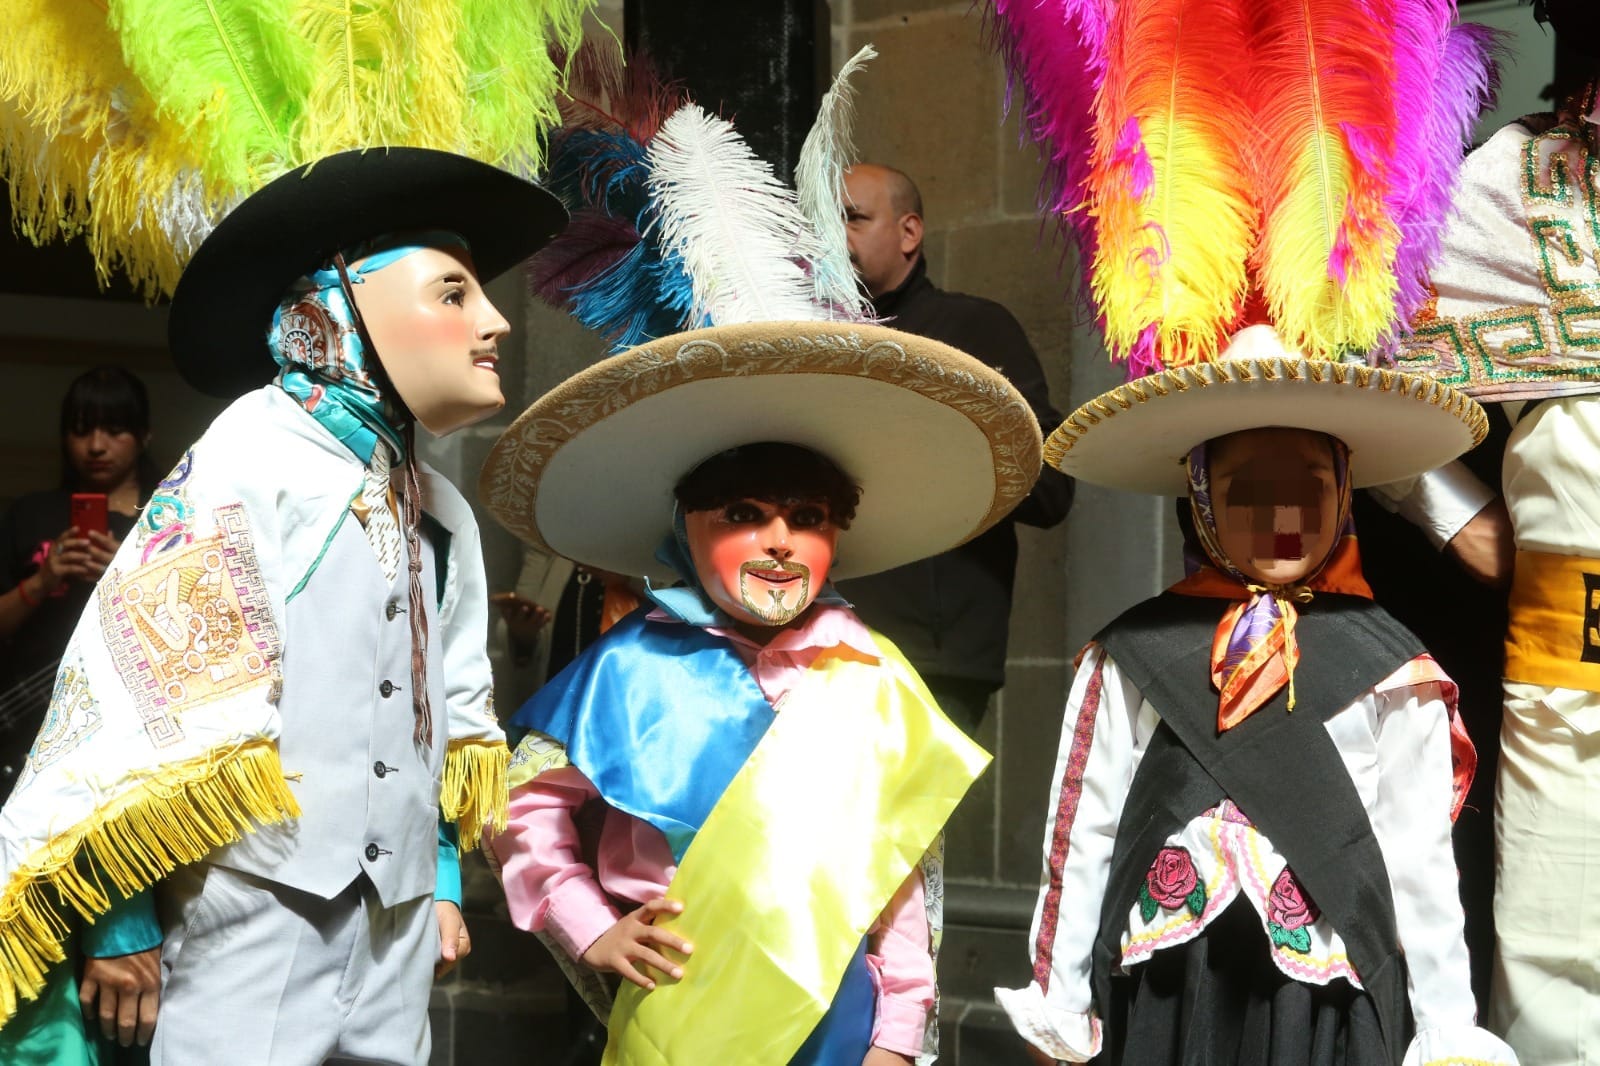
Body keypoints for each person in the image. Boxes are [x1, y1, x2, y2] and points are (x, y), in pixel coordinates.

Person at [0, 147, 567, 1066]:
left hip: (396, 922)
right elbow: (139, 700)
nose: (494, 321)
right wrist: (118, 922)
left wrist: (445, 880)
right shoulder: (244, 463)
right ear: (340, 310)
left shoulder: (443, 512)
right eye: (454, 293)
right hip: (252, 910)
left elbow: (442, 715)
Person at [478, 319, 1044, 1065]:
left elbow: (904, 870)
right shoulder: (627, 665)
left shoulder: (875, 675)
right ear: (687, 526)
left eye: (807, 519)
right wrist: (590, 924)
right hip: (681, 999)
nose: (779, 539)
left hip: (839, 1009)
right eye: (743, 515)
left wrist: (900, 1029)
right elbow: (518, 802)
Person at [997, 327, 1513, 1066]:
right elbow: (1085, 831)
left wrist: (1446, 1029)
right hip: (1168, 992)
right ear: (1202, 495)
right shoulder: (1134, 655)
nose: (1282, 515)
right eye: (1249, 491)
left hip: (1326, 998)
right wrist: (1061, 1002)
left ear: (1343, 491)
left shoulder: (1393, 668)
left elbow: (1419, 856)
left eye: (1308, 486)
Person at [1387, 3, 1600, 1055]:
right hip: (1572, 682)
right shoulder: (1512, 185)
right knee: (1562, 970)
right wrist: (1456, 512)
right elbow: (1362, 365)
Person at [836, 164, 1073, 732]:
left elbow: (1053, 490)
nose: (832, 236)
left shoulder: (975, 329)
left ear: (909, 233)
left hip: (928, 658)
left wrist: (950, 416)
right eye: (823, 221)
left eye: (853, 218)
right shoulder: (808, 336)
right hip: (811, 643)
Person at [0, 367, 161, 800]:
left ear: (144, 435)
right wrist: (43, 580)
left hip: (125, 736)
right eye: (81, 430)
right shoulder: (28, 514)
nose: (95, 446)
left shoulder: (165, 523)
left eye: (114, 430)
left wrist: (125, 577)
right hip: (20, 729)